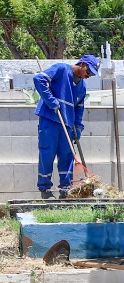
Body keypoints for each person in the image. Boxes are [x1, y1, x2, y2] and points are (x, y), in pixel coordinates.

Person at [34, 54, 97, 198]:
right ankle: (45, 190)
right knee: (47, 154)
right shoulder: (61, 69)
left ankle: (65, 190)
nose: (89, 75)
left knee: (67, 157)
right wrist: (51, 101)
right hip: (50, 119)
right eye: (89, 72)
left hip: (67, 123)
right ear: (82, 64)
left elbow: (79, 107)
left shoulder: (82, 86)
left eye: (92, 74)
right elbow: (38, 79)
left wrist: (78, 127)